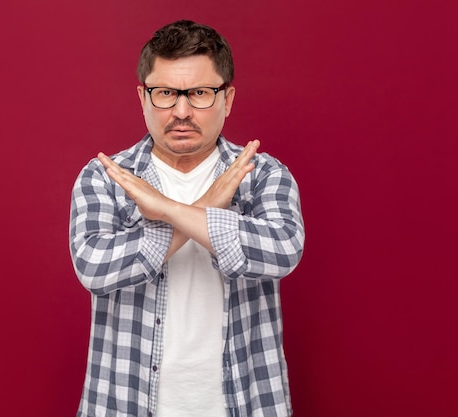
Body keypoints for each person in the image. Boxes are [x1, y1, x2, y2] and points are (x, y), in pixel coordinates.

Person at [69, 20, 305, 417]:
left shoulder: (261, 174)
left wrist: (169, 210)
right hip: (122, 404)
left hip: (246, 403)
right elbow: (95, 267)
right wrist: (208, 208)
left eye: (199, 93)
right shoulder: (108, 177)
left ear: (227, 99)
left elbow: (282, 251)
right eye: (165, 93)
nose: (181, 111)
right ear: (143, 98)